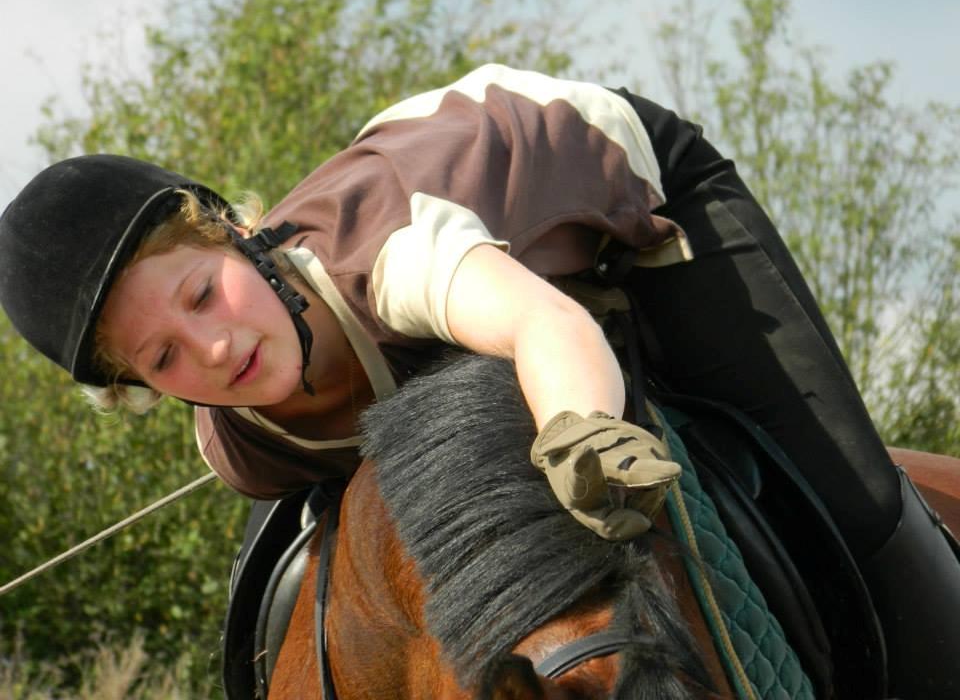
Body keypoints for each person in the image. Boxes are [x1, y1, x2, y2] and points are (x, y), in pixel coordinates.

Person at [0, 64, 956, 698]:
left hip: (627, 191)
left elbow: (548, 322)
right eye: (162, 358)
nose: (210, 351)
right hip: (459, 308)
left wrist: (584, 436)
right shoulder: (237, 447)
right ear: (142, 390)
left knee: (859, 500)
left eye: (204, 295)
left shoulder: (398, 256)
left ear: (233, 238)